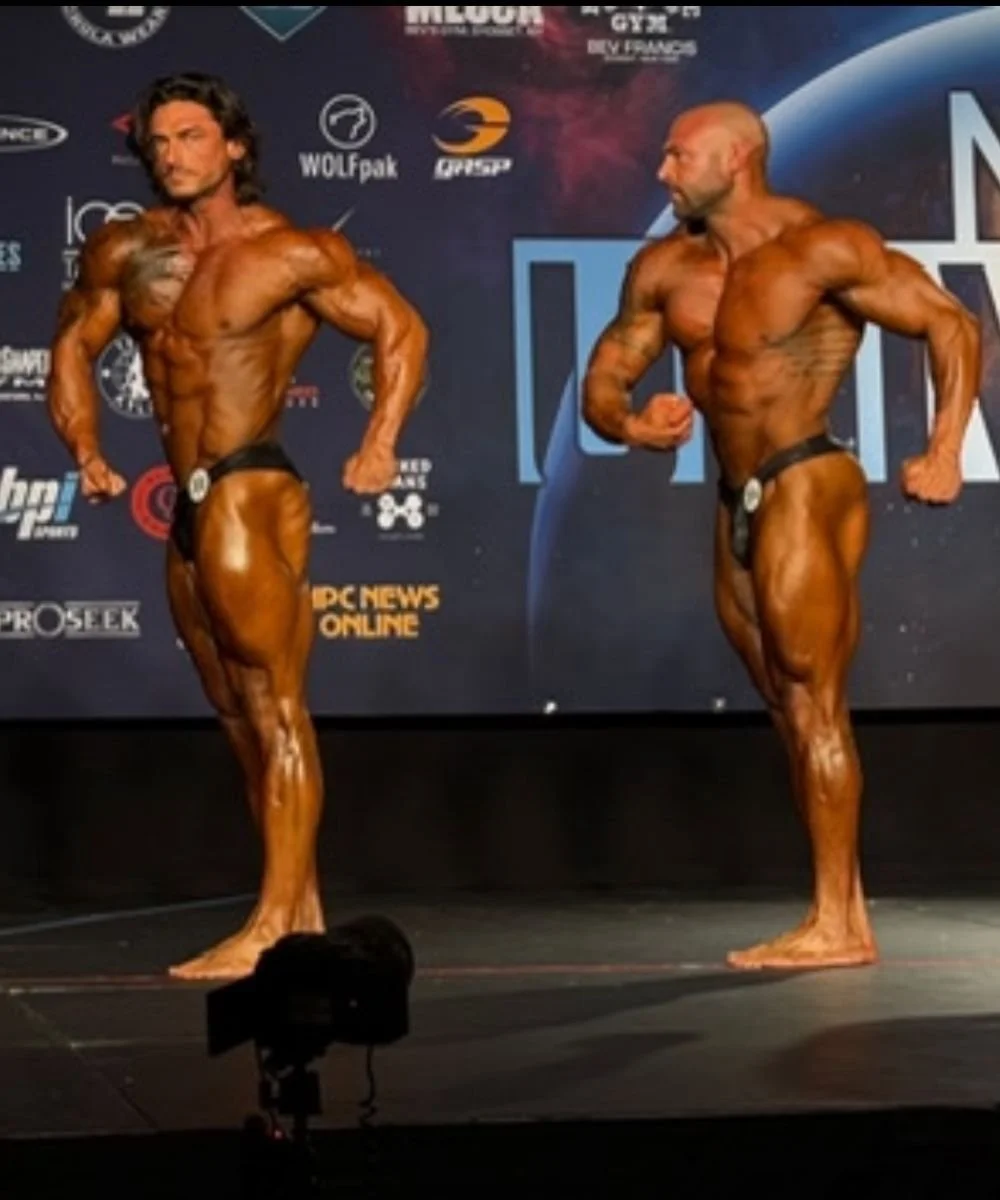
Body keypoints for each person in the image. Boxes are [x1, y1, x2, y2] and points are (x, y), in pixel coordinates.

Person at [46, 72, 430, 981]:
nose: (173, 155)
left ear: (235, 148)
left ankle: (273, 925)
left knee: (273, 703)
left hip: (252, 484)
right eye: (161, 142)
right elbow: (73, 343)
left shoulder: (292, 252)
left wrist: (380, 444)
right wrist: (88, 452)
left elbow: (401, 330)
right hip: (188, 498)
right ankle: (297, 907)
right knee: (234, 715)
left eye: (190, 137)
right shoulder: (126, 252)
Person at [582, 101, 981, 970]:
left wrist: (945, 448)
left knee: (813, 696)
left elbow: (951, 322)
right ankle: (841, 912)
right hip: (734, 498)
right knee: (785, 707)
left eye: (678, 154)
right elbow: (605, 376)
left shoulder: (821, 247)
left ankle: (837, 922)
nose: (662, 171)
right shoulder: (664, 269)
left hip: (806, 477)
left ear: (737, 158)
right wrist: (631, 424)